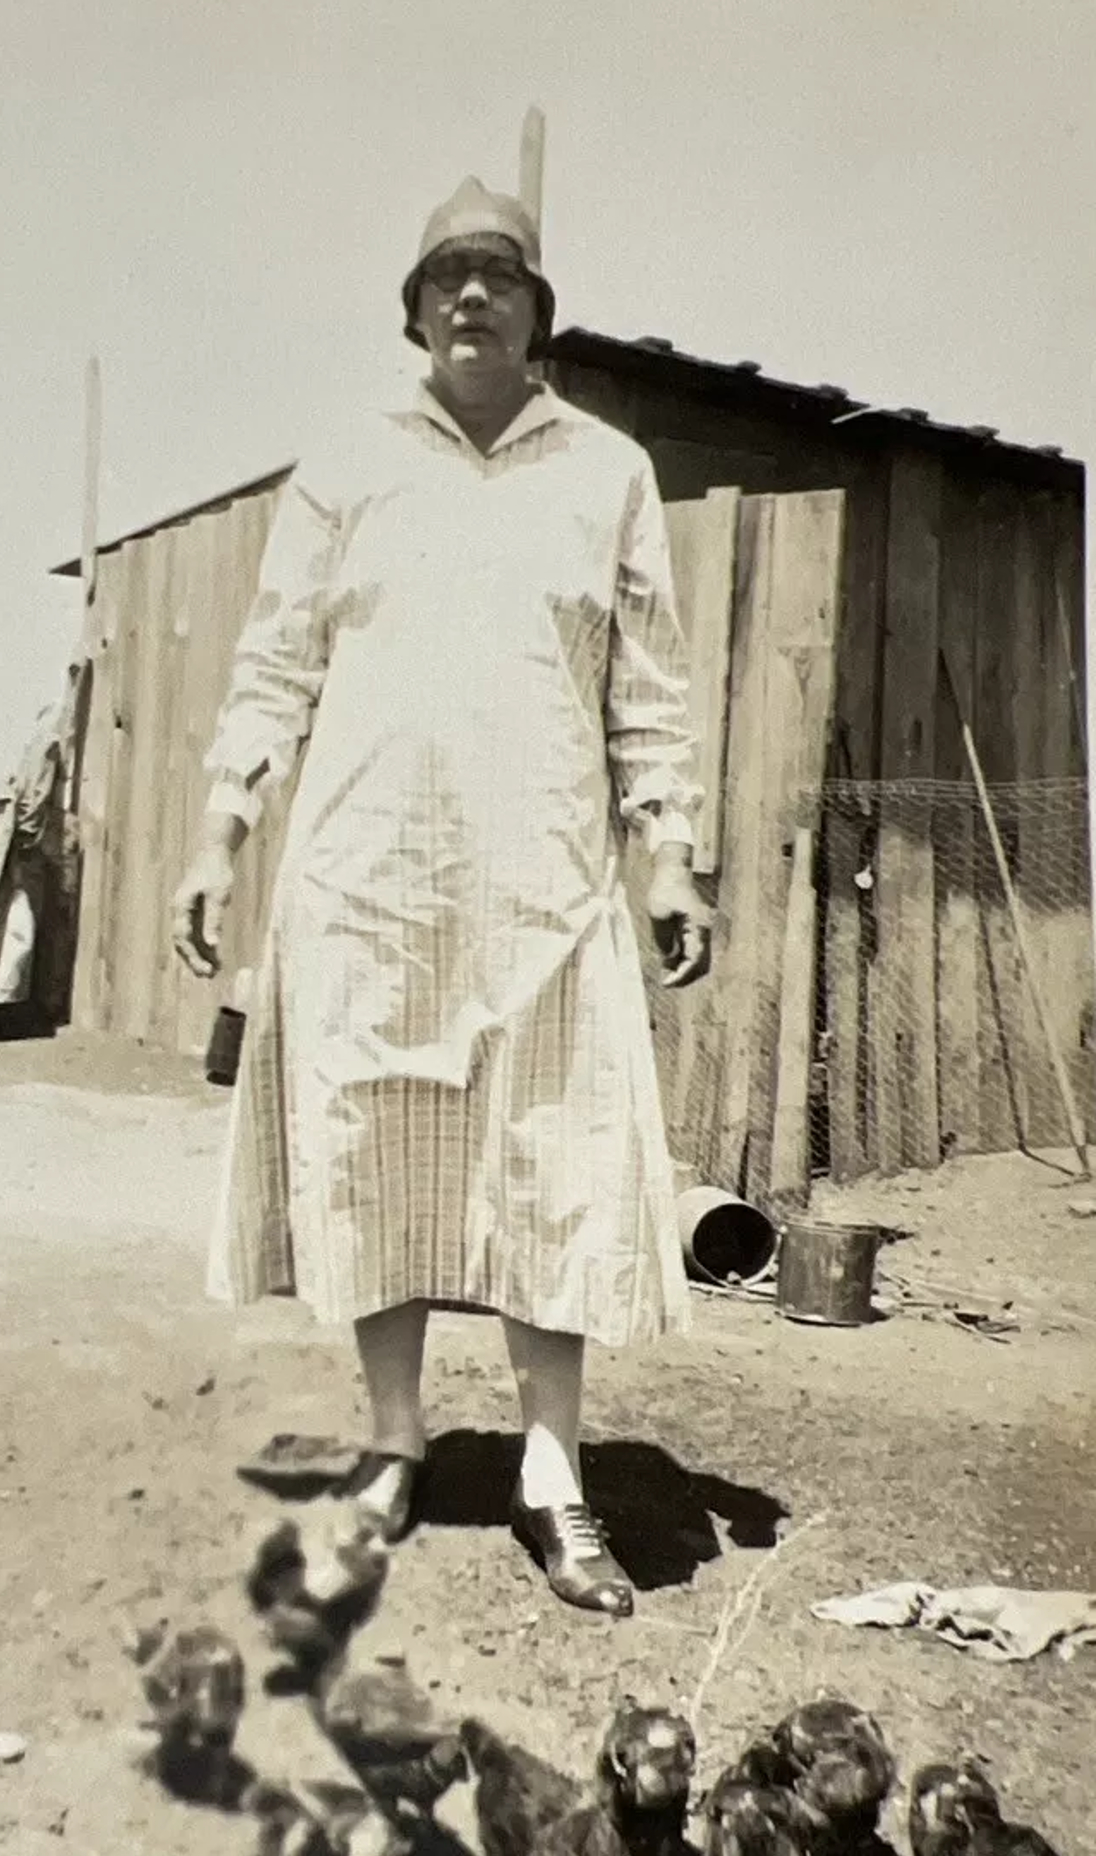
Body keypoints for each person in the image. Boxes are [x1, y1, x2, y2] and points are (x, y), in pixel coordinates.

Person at [172, 175, 712, 1619]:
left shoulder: (606, 472)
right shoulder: (347, 465)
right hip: (371, 880)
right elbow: (275, 661)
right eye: (446, 276)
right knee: (375, 1151)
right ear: (412, 311)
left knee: (552, 1158)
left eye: (500, 276)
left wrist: (669, 850)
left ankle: (552, 1472)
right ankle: (394, 1445)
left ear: (540, 315)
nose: (472, 296)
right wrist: (220, 831)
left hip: (541, 885)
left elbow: (650, 694)